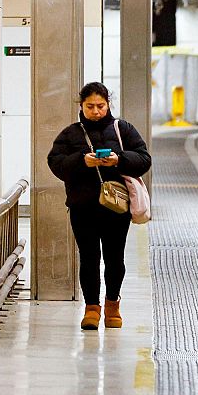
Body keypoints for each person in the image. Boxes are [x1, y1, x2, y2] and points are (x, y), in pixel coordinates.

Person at [46, 82, 152, 330]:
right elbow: (55, 163)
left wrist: (119, 160)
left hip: (116, 207)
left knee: (115, 258)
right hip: (82, 207)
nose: (95, 111)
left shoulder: (122, 129)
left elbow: (144, 159)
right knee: (89, 257)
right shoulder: (70, 134)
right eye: (90, 106)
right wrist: (82, 161)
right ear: (81, 106)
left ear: (108, 105)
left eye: (100, 106)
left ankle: (113, 304)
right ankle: (92, 308)